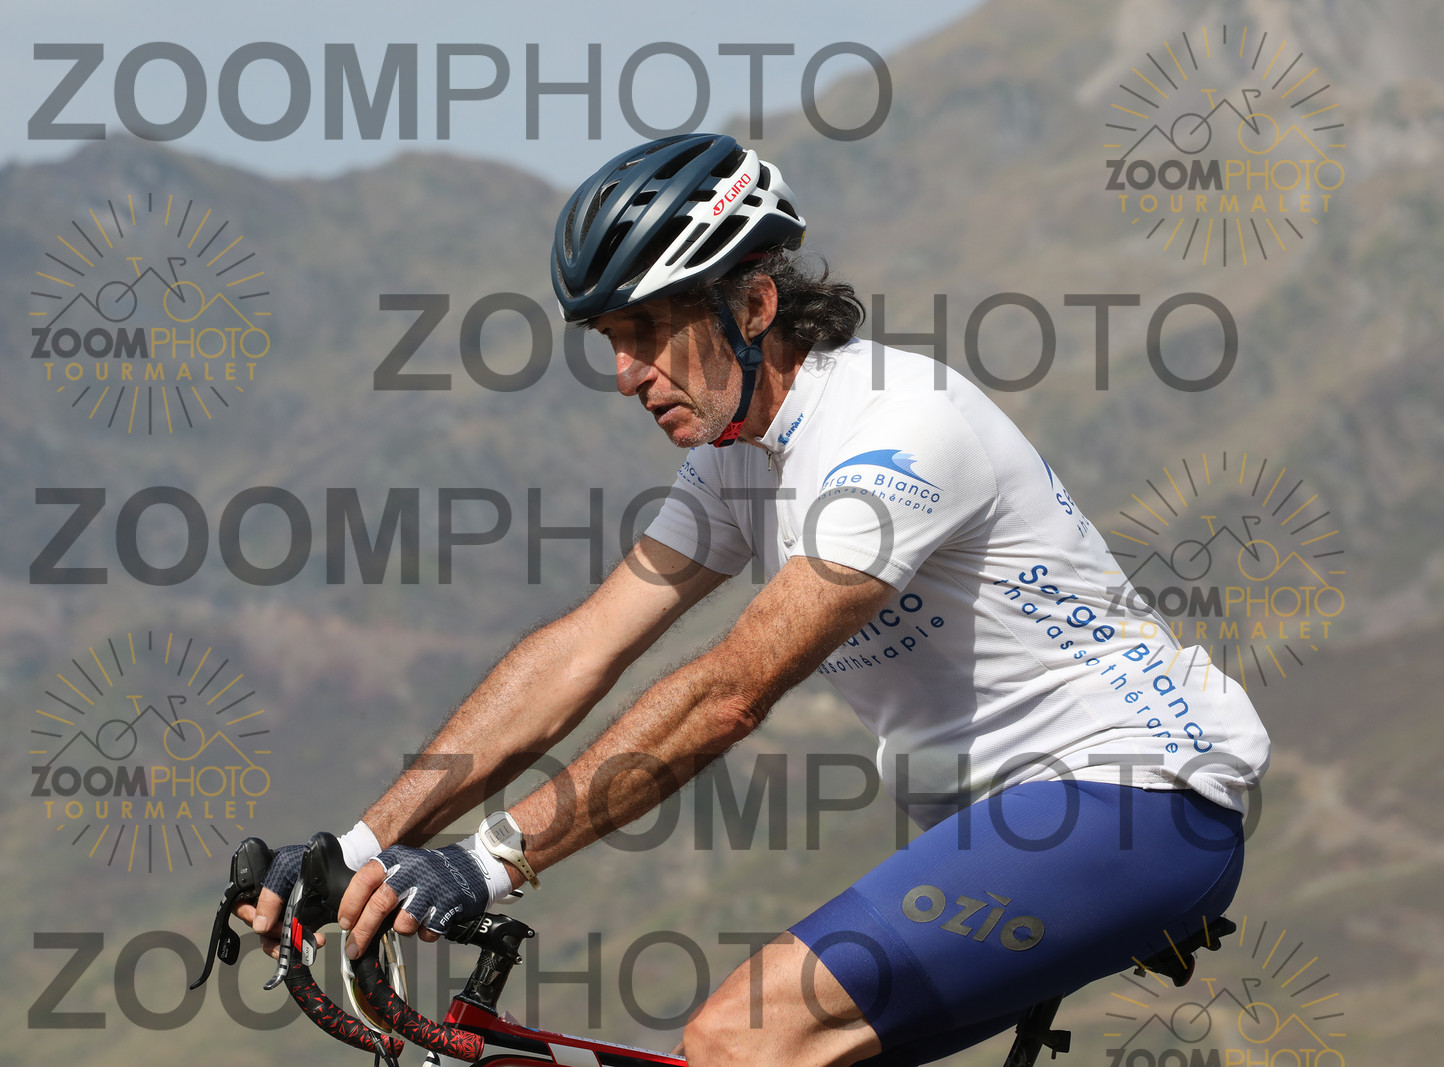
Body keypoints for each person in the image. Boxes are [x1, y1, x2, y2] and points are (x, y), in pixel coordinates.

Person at [238, 133, 1270, 1066]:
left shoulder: (895, 434)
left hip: (1134, 799)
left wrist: (490, 859)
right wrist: (356, 847)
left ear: (755, 306)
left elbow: (731, 691)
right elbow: (584, 649)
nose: (626, 373)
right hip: (998, 826)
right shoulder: (738, 457)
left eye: (649, 330)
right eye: (609, 338)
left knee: (743, 1036)